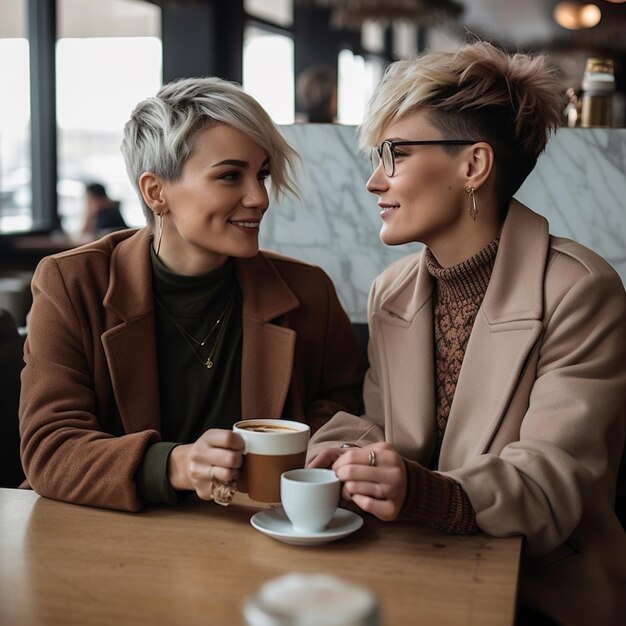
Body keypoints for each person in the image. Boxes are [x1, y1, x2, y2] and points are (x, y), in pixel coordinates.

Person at [307, 41, 626, 625]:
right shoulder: (392, 291)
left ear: (473, 165)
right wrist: (349, 454)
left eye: (396, 154)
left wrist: (425, 492)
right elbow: (383, 425)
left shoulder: (580, 290)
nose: (375, 181)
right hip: (413, 567)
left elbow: (549, 483)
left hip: (536, 592)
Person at [19, 77, 366, 512]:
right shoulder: (71, 284)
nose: (259, 197)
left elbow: (346, 403)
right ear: (155, 191)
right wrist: (176, 465)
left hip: (267, 531)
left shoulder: (307, 289)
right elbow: (51, 450)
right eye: (229, 176)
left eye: (261, 174)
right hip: (111, 539)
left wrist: (304, 457)